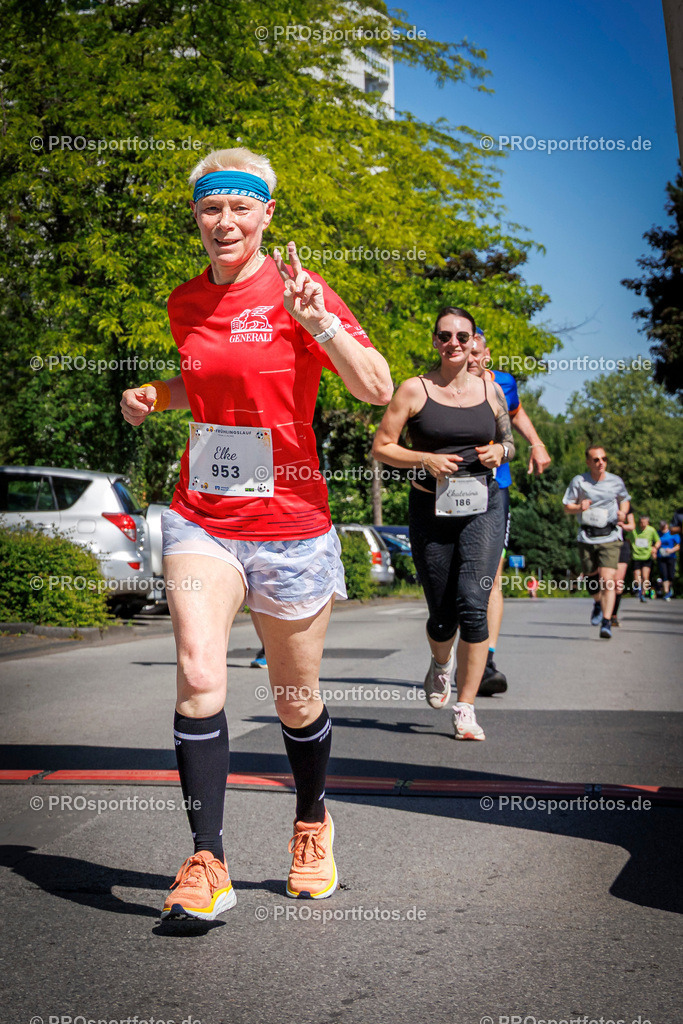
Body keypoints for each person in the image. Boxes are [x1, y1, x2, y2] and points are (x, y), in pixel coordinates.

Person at [120, 147, 392, 919]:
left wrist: (321, 326)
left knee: (294, 696)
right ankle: (206, 860)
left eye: (241, 207)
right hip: (202, 515)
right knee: (200, 674)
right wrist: (154, 393)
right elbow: (206, 379)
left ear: (266, 214)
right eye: (211, 208)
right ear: (196, 218)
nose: (225, 221)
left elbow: (374, 388)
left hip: (291, 522)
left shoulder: (301, 291)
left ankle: (311, 821)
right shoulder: (184, 302)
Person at [372, 306, 515, 741]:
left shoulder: (492, 391)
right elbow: (382, 447)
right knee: (441, 615)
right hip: (430, 509)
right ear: (435, 341)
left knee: (474, 601)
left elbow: (509, 440)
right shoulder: (414, 390)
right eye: (445, 336)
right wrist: (424, 459)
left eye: (462, 336)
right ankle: (440, 662)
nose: (454, 343)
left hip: (484, 506)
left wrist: (502, 454)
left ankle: (466, 708)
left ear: (474, 343)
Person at [467, 331, 551, 694]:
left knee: (491, 575)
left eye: (476, 351)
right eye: (463, 349)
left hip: (495, 488)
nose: (470, 357)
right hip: (452, 489)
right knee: (455, 578)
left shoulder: (503, 382)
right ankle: (448, 647)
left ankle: (486, 660)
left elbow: (516, 412)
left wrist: (537, 443)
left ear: (487, 354)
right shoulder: (437, 386)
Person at [562, 445, 630, 638]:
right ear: (588, 462)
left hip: (610, 536)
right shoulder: (579, 481)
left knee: (607, 580)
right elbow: (567, 507)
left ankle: (607, 622)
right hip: (587, 536)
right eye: (596, 459)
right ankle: (598, 604)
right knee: (592, 578)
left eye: (604, 459)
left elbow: (625, 498)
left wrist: (623, 512)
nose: (601, 462)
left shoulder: (616, 481)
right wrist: (578, 507)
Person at [607, 502, 635, 626]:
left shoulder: (626, 506)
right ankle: (605, 612)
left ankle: (613, 615)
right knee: (607, 582)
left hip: (621, 544)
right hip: (605, 544)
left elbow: (632, 526)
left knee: (618, 583)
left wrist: (622, 525)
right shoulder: (603, 501)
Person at [630, 514, 661, 601]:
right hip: (636, 556)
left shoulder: (651, 530)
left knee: (645, 576)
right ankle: (638, 588)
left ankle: (643, 594)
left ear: (647, 522)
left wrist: (655, 548)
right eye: (641, 522)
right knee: (636, 577)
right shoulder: (634, 530)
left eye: (644, 522)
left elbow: (658, 541)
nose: (643, 524)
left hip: (647, 557)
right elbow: (628, 539)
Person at [657, 522, 679, 600]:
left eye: (664, 526)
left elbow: (678, 545)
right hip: (661, 557)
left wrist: (672, 550)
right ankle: (666, 592)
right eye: (661, 526)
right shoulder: (657, 533)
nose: (662, 528)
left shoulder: (672, 533)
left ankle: (669, 588)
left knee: (671, 575)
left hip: (671, 557)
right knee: (664, 575)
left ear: (667, 525)